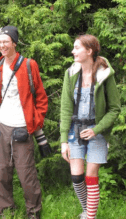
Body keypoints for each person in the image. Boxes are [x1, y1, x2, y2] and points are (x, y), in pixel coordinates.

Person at [0, 26, 48, 219]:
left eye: (5, 41)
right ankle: (6, 211)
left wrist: (35, 121)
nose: (2, 45)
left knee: (26, 174)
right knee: (2, 172)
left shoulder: (29, 65)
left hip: (22, 127)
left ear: (14, 42)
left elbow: (41, 97)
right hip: (2, 125)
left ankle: (34, 212)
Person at [60, 34, 120, 219]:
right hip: (75, 131)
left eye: (76, 48)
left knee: (91, 177)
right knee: (77, 177)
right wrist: (63, 141)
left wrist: (97, 129)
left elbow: (114, 109)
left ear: (89, 51)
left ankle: (90, 217)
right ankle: (88, 211)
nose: (73, 51)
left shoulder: (104, 74)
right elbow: (65, 108)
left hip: (97, 133)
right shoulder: (71, 74)